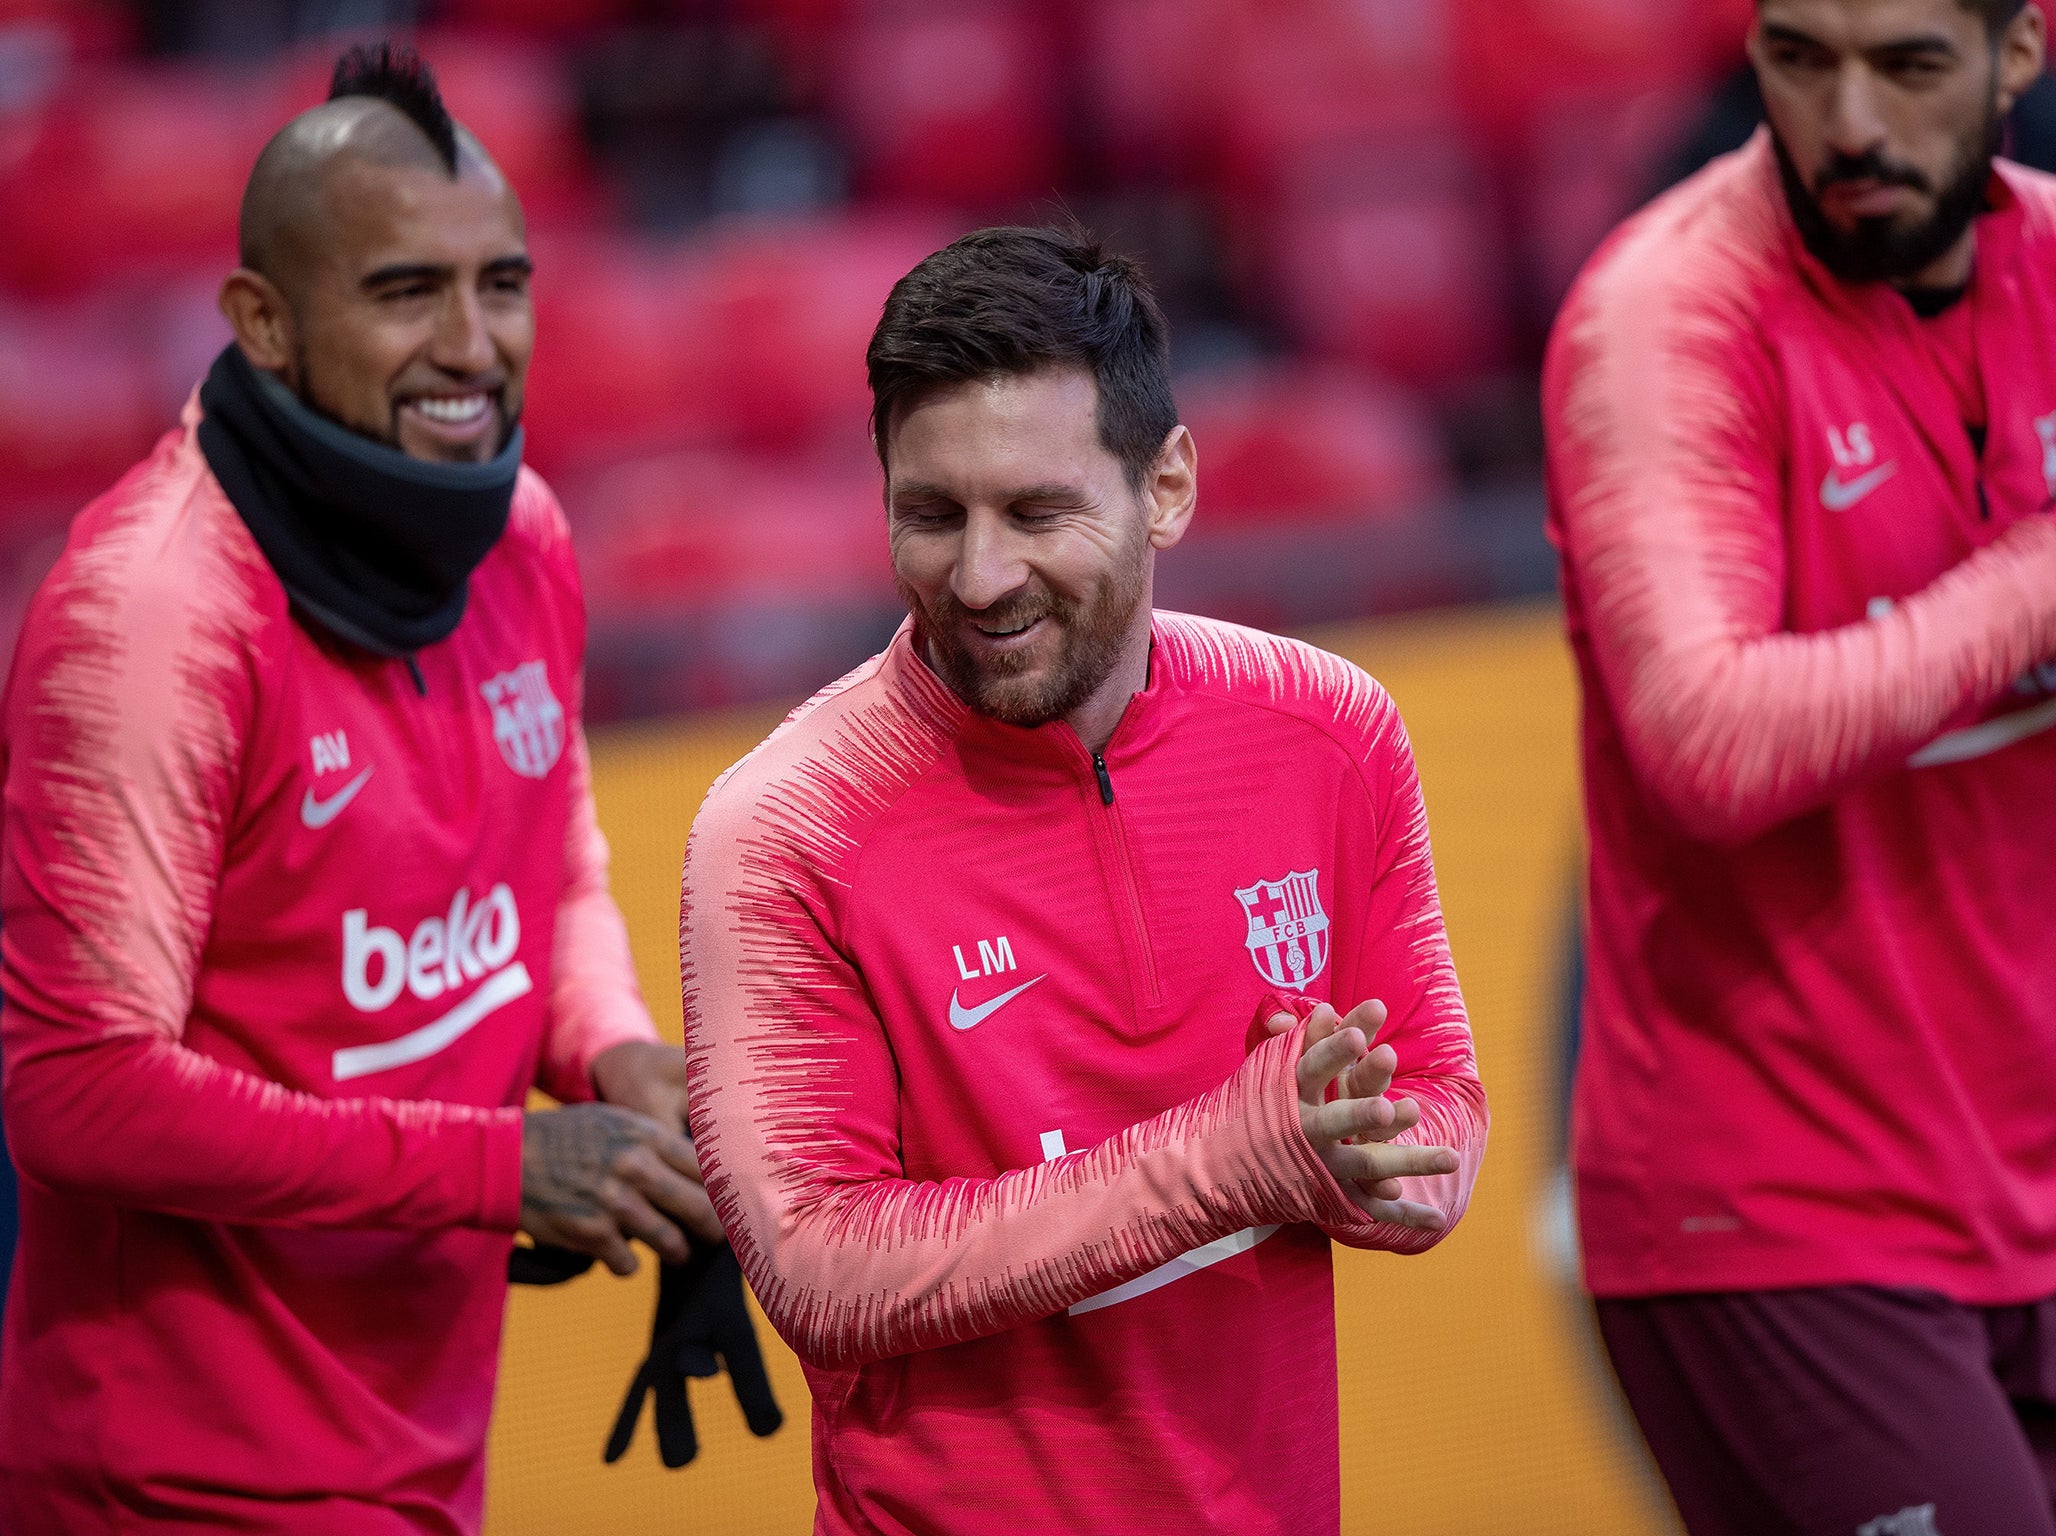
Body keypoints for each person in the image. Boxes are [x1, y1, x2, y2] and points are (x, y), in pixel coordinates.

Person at [0, 45, 727, 1533]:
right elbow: (76, 1092)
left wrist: (612, 1057)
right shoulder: (151, 616)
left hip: (419, 1461)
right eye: (406, 293)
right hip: (166, 1486)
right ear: (265, 323)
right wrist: (502, 1168)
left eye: (502, 284)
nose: (474, 345)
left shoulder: (520, 536)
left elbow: (553, 863)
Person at [678, 225, 1488, 1536]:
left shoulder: (1330, 728)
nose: (981, 577)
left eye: (1037, 512)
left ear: (1164, 488)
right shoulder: (785, 827)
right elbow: (820, 1268)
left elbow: (1443, 1106)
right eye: (932, 515)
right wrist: (1229, 1156)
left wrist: (1366, 1159)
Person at [1545, 0, 2056, 1530]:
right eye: (1798, 58)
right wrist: (2035, 587)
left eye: (1906, 66)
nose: (1848, 123)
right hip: (1776, 1205)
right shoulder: (1663, 316)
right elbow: (1709, 740)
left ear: (2018, 53)